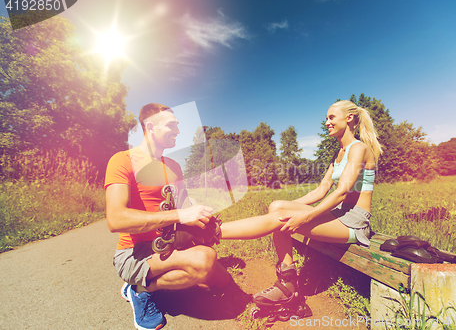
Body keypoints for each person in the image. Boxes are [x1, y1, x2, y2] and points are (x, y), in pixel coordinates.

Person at [219, 100, 382, 316]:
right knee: (277, 206)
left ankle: (211, 232)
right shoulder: (339, 153)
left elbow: (341, 192)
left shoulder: (359, 148)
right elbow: (320, 192)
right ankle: (288, 283)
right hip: (338, 215)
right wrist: (288, 210)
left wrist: (303, 218)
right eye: (327, 118)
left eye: (331, 117)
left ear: (349, 118)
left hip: (354, 222)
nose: (327, 122)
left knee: (281, 216)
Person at [105, 103, 229, 330]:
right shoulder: (122, 160)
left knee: (224, 284)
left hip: (169, 245)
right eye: (172, 125)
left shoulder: (173, 166)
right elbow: (115, 219)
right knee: (204, 261)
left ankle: (150, 280)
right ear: (150, 127)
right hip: (135, 252)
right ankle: (140, 289)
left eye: (178, 125)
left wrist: (197, 213)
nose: (178, 131)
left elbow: (182, 206)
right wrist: (180, 214)